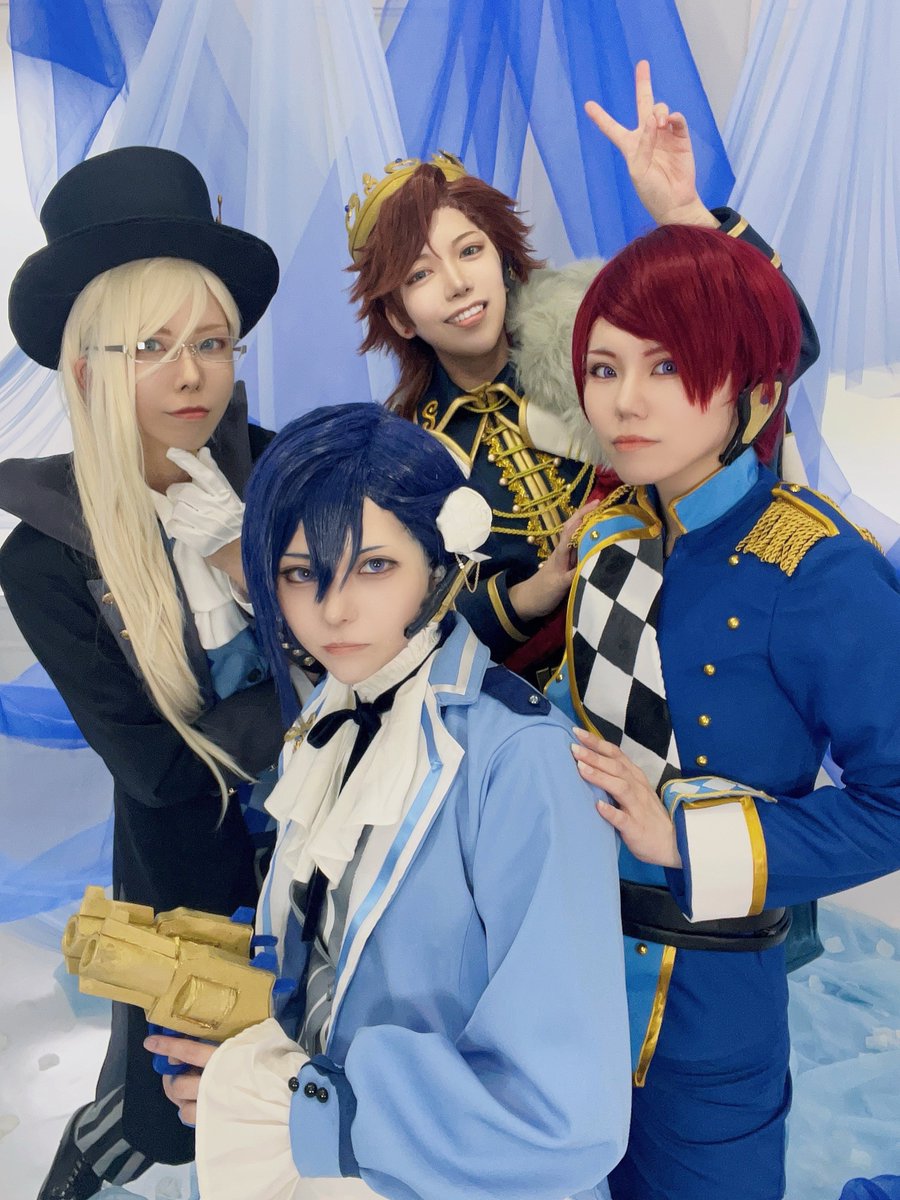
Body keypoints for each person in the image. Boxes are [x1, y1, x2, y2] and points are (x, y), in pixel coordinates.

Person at [146, 402, 631, 1200]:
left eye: (374, 566)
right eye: (300, 573)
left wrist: (308, 1110)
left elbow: (568, 1116)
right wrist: (239, 1025)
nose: (333, 609)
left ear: (439, 563)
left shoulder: (522, 761)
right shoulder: (327, 716)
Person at [542, 224, 900, 1199]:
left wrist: (687, 840)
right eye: (605, 367)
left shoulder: (817, 567)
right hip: (565, 980)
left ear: (759, 391)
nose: (625, 400)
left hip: (708, 998)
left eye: (667, 365)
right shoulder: (611, 537)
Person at [0, 146, 286, 1200]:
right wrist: (310, 689)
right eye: (152, 346)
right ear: (86, 369)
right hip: (193, 876)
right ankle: (84, 1160)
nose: (192, 374)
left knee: (305, 1096)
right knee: (173, 1114)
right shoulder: (42, 558)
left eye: (211, 343)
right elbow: (158, 770)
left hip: (342, 851)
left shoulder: (288, 471)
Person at [346, 61, 818, 686]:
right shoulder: (403, 452)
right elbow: (407, 625)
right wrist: (531, 595)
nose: (457, 283)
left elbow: (784, 348)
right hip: (533, 699)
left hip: (697, 629)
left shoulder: (608, 339)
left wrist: (686, 213)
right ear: (399, 317)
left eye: (470, 250)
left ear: (502, 256)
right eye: (420, 274)